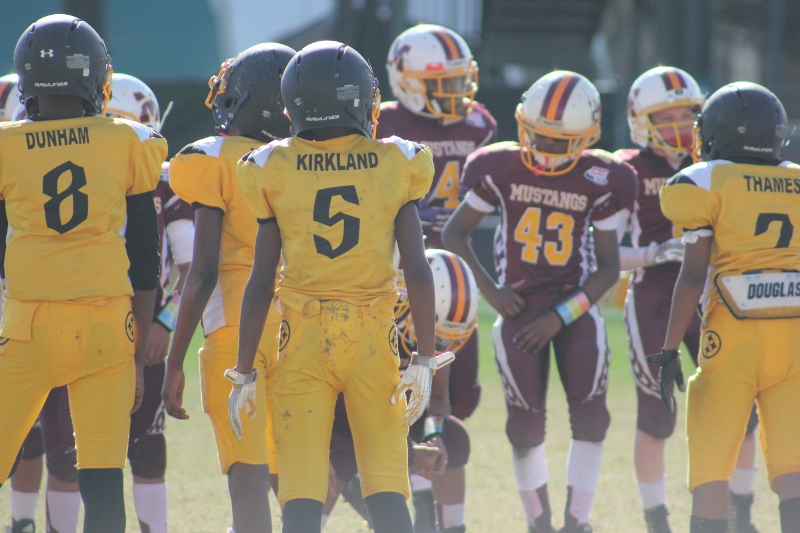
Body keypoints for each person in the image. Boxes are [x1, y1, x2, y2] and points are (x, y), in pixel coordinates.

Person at [235, 40, 451, 533]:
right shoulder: (397, 160)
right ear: (359, 100)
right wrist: (424, 356)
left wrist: (244, 369)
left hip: (303, 340)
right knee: (387, 485)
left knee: (301, 492)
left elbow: (260, 281)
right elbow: (417, 270)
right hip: (372, 337)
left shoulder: (270, 166)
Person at [443, 71, 637, 533]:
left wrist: (560, 316)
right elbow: (454, 233)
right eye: (539, 135)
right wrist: (491, 291)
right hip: (519, 308)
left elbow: (609, 267)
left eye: (559, 140)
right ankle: (540, 523)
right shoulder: (499, 166)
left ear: (586, 137)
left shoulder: (602, 177)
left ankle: (577, 521)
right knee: (525, 426)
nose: (546, 148)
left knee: (591, 417)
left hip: (575, 309)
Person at [0, 14, 164, 533]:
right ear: (94, 76)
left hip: (27, 328)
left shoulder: (6, 144)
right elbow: (145, 257)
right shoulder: (128, 139)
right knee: (102, 480)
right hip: (106, 328)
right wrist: (137, 356)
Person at [650, 81, 800, 533]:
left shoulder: (704, 180)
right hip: (793, 336)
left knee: (712, 466)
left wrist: (669, 348)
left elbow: (693, 274)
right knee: (792, 466)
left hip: (733, 336)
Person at [616, 66, 759, 533]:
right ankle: (657, 520)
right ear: (640, 120)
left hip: (715, 294)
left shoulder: (718, 166)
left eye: (686, 115)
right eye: (666, 117)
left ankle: (742, 514)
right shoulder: (625, 169)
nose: (678, 126)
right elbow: (601, 256)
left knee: (741, 410)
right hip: (655, 295)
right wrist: (652, 253)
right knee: (656, 414)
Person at [162, 42, 295, 533]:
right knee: (290, 474)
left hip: (236, 328)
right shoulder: (299, 161)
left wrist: (174, 361)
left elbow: (202, 271)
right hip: (295, 327)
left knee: (247, 472)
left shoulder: (212, 158)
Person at [382, 24, 497, 530]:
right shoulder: (381, 124)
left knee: (450, 408)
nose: (453, 94)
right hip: (397, 279)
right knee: (389, 402)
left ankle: (448, 518)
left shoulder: (477, 124)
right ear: (405, 80)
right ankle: (412, 511)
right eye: (440, 84)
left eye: (457, 81)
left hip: (455, 283)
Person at [323, 249, 479, 533]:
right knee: (332, 462)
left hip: (394, 417)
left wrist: (433, 436)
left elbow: (438, 395)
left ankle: (450, 528)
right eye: (437, 336)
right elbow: (351, 400)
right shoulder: (374, 316)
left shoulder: (438, 324)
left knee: (454, 439)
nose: (441, 345)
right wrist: (407, 451)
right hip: (342, 415)